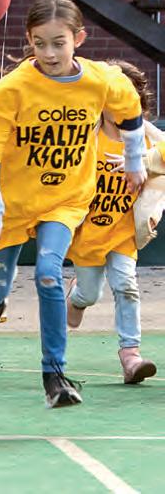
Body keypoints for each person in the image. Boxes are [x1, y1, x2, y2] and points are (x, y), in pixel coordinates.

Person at [0, 0, 146, 408]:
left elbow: (131, 111)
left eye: (58, 43)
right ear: (28, 41)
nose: (49, 53)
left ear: (78, 39)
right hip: (14, 202)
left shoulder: (101, 80)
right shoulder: (10, 91)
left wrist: (134, 161)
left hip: (65, 199)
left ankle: (55, 375)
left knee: (48, 274)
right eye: (39, 43)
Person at [66, 59, 156, 385]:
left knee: (126, 286)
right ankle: (76, 296)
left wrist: (143, 160)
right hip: (88, 233)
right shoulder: (85, 138)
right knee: (89, 295)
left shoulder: (146, 139)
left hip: (122, 230)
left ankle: (130, 355)